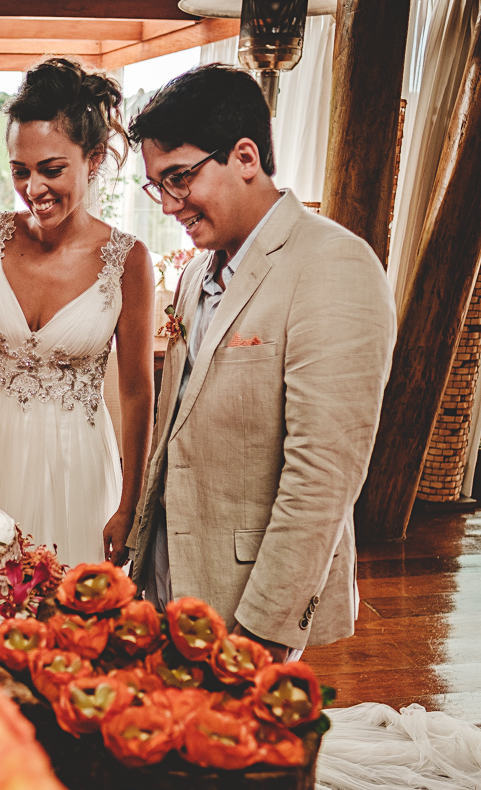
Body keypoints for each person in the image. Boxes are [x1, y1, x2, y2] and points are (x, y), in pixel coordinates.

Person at [126, 65, 397, 662]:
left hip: (249, 602)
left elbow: (323, 476)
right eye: (157, 185)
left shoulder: (335, 265)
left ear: (245, 156)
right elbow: (178, 429)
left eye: (180, 178)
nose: (170, 204)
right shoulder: (197, 272)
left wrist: (263, 634)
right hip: (171, 582)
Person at [0, 57, 155, 568]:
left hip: (74, 467)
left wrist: (130, 506)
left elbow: (138, 391)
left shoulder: (130, 260)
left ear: (93, 159)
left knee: (61, 618)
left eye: (52, 170)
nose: (34, 189)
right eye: (19, 171)